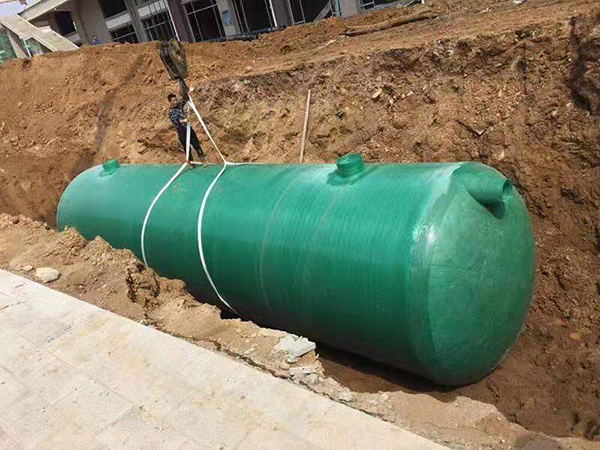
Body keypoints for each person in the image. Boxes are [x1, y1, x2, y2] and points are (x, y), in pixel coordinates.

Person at [167, 92, 206, 166]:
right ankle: (191, 163)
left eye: (176, 100)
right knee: (187, 147)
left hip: (188, 128)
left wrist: (187, 91)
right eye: (173, 101)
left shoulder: (179, 105)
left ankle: (203, 160)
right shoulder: (170, 112)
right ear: (170, 102)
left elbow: (185, 98)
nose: (175, 102)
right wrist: (184, 120)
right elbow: (176, 121)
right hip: (181, 131)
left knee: (196, 143)